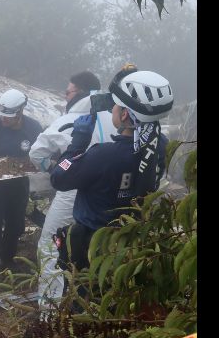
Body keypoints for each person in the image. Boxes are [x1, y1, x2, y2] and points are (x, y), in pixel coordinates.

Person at [50, 68, 172, 274]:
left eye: (115, 104)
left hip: (93, 249)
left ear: (124, 113)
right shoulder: (161, 146)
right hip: (132, 245)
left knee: (85, 302)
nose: (112, 108)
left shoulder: (103, 155)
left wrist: (77, 143)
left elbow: (59, 178)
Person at [28, 71, 116, 311]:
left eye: (67, 92)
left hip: (73, 190)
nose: (64, 96)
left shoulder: (71, 119)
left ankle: (50, 309)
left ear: (78, 93)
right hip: (108, 192)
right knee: (100, 246)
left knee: (51, 243)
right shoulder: (114, 116)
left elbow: (37, 152)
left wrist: (54, 169)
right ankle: (99, 305)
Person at [0, 89, 43, 278]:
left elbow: (40, 152)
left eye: (8, 117)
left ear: (20, 112)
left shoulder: (33, 129)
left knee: (15, 224)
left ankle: (7, 259)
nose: (4, 120)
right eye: (2, 116)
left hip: (18, 184)